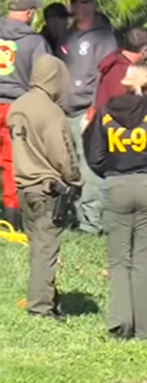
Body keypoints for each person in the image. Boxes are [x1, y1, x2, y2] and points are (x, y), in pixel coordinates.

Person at [85, 63, 147, 339]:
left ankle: (120, 323)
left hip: (117, 184)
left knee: (120, 259)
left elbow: (93, 154)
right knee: (144, 258)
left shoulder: (106, 111)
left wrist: (112, 169)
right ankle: (142, 327)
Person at [7, 54, 80, 319]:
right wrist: (75, 180)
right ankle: (40, 307)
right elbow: (63, 155)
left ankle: (48, 297)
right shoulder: (50, 111)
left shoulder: (18, 106)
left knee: (38, 245)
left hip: (24, 185)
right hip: (47, 188)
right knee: (47, 249)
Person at [60, 0, 119, 235]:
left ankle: (92, 223)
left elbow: (107, 76)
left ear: (94, 4)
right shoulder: (66, 34)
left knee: (90, 168)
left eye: (85, 0)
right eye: (76, 0)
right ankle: (74, 214)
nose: (80, 4)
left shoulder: (104, 37)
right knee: (67, 165)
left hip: (89, 110)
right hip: (63, 110)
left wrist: (97, 107)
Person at [0, 0, 53, 231]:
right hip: (17, 106)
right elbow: (45, 77)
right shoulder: (35, 42)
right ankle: (12, 219)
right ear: (30, 13)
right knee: (12, 162)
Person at [93, 26, 147, 114]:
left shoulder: (114, 60)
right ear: (145, 51)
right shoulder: (125, 72)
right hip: (111, 123)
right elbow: (122, 108)